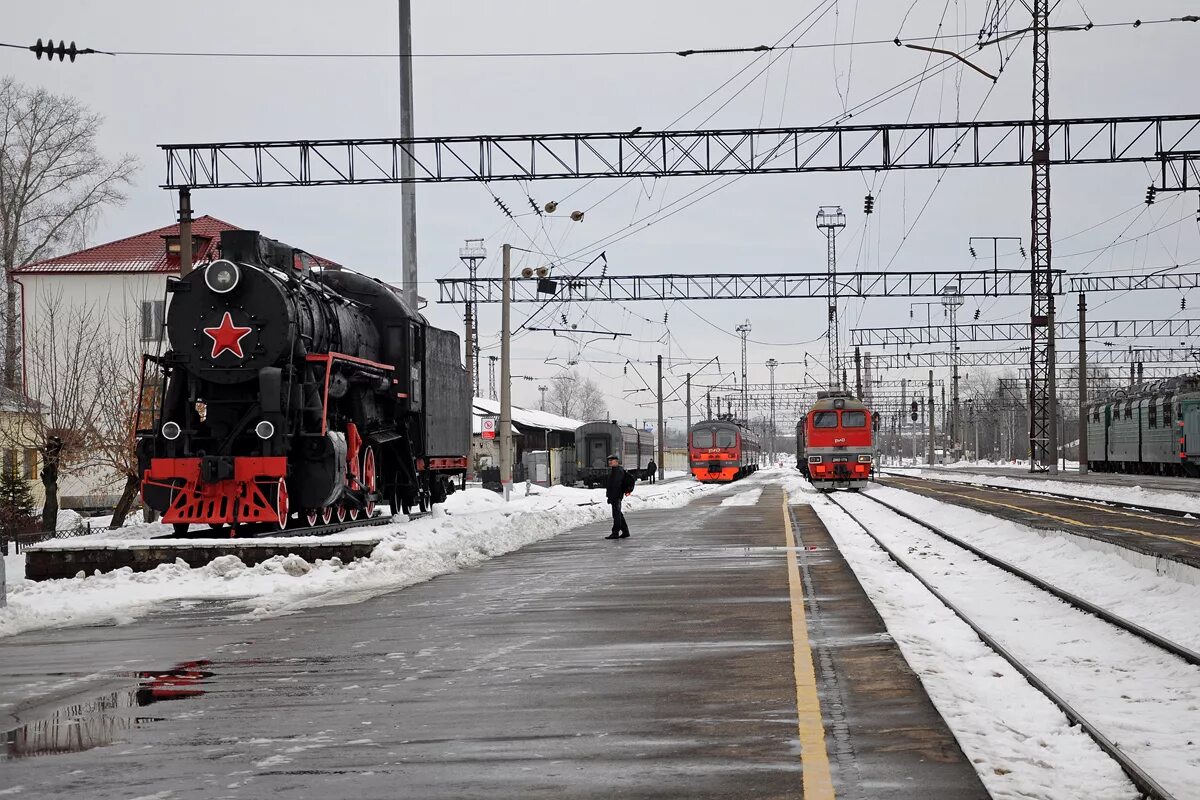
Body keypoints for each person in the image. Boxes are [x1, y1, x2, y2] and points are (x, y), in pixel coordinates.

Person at [604, 453, 633, 539]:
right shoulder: (615, 470)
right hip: (615, 495)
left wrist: (612, 496)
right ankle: (625, 531)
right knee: (618, 514)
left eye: (611, 460)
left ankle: (615, 532)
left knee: (616, 515)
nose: (609, 462)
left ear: (616, 461)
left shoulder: (617, 471)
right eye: (609, 460)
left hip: (616, 496)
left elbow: (616, 485)